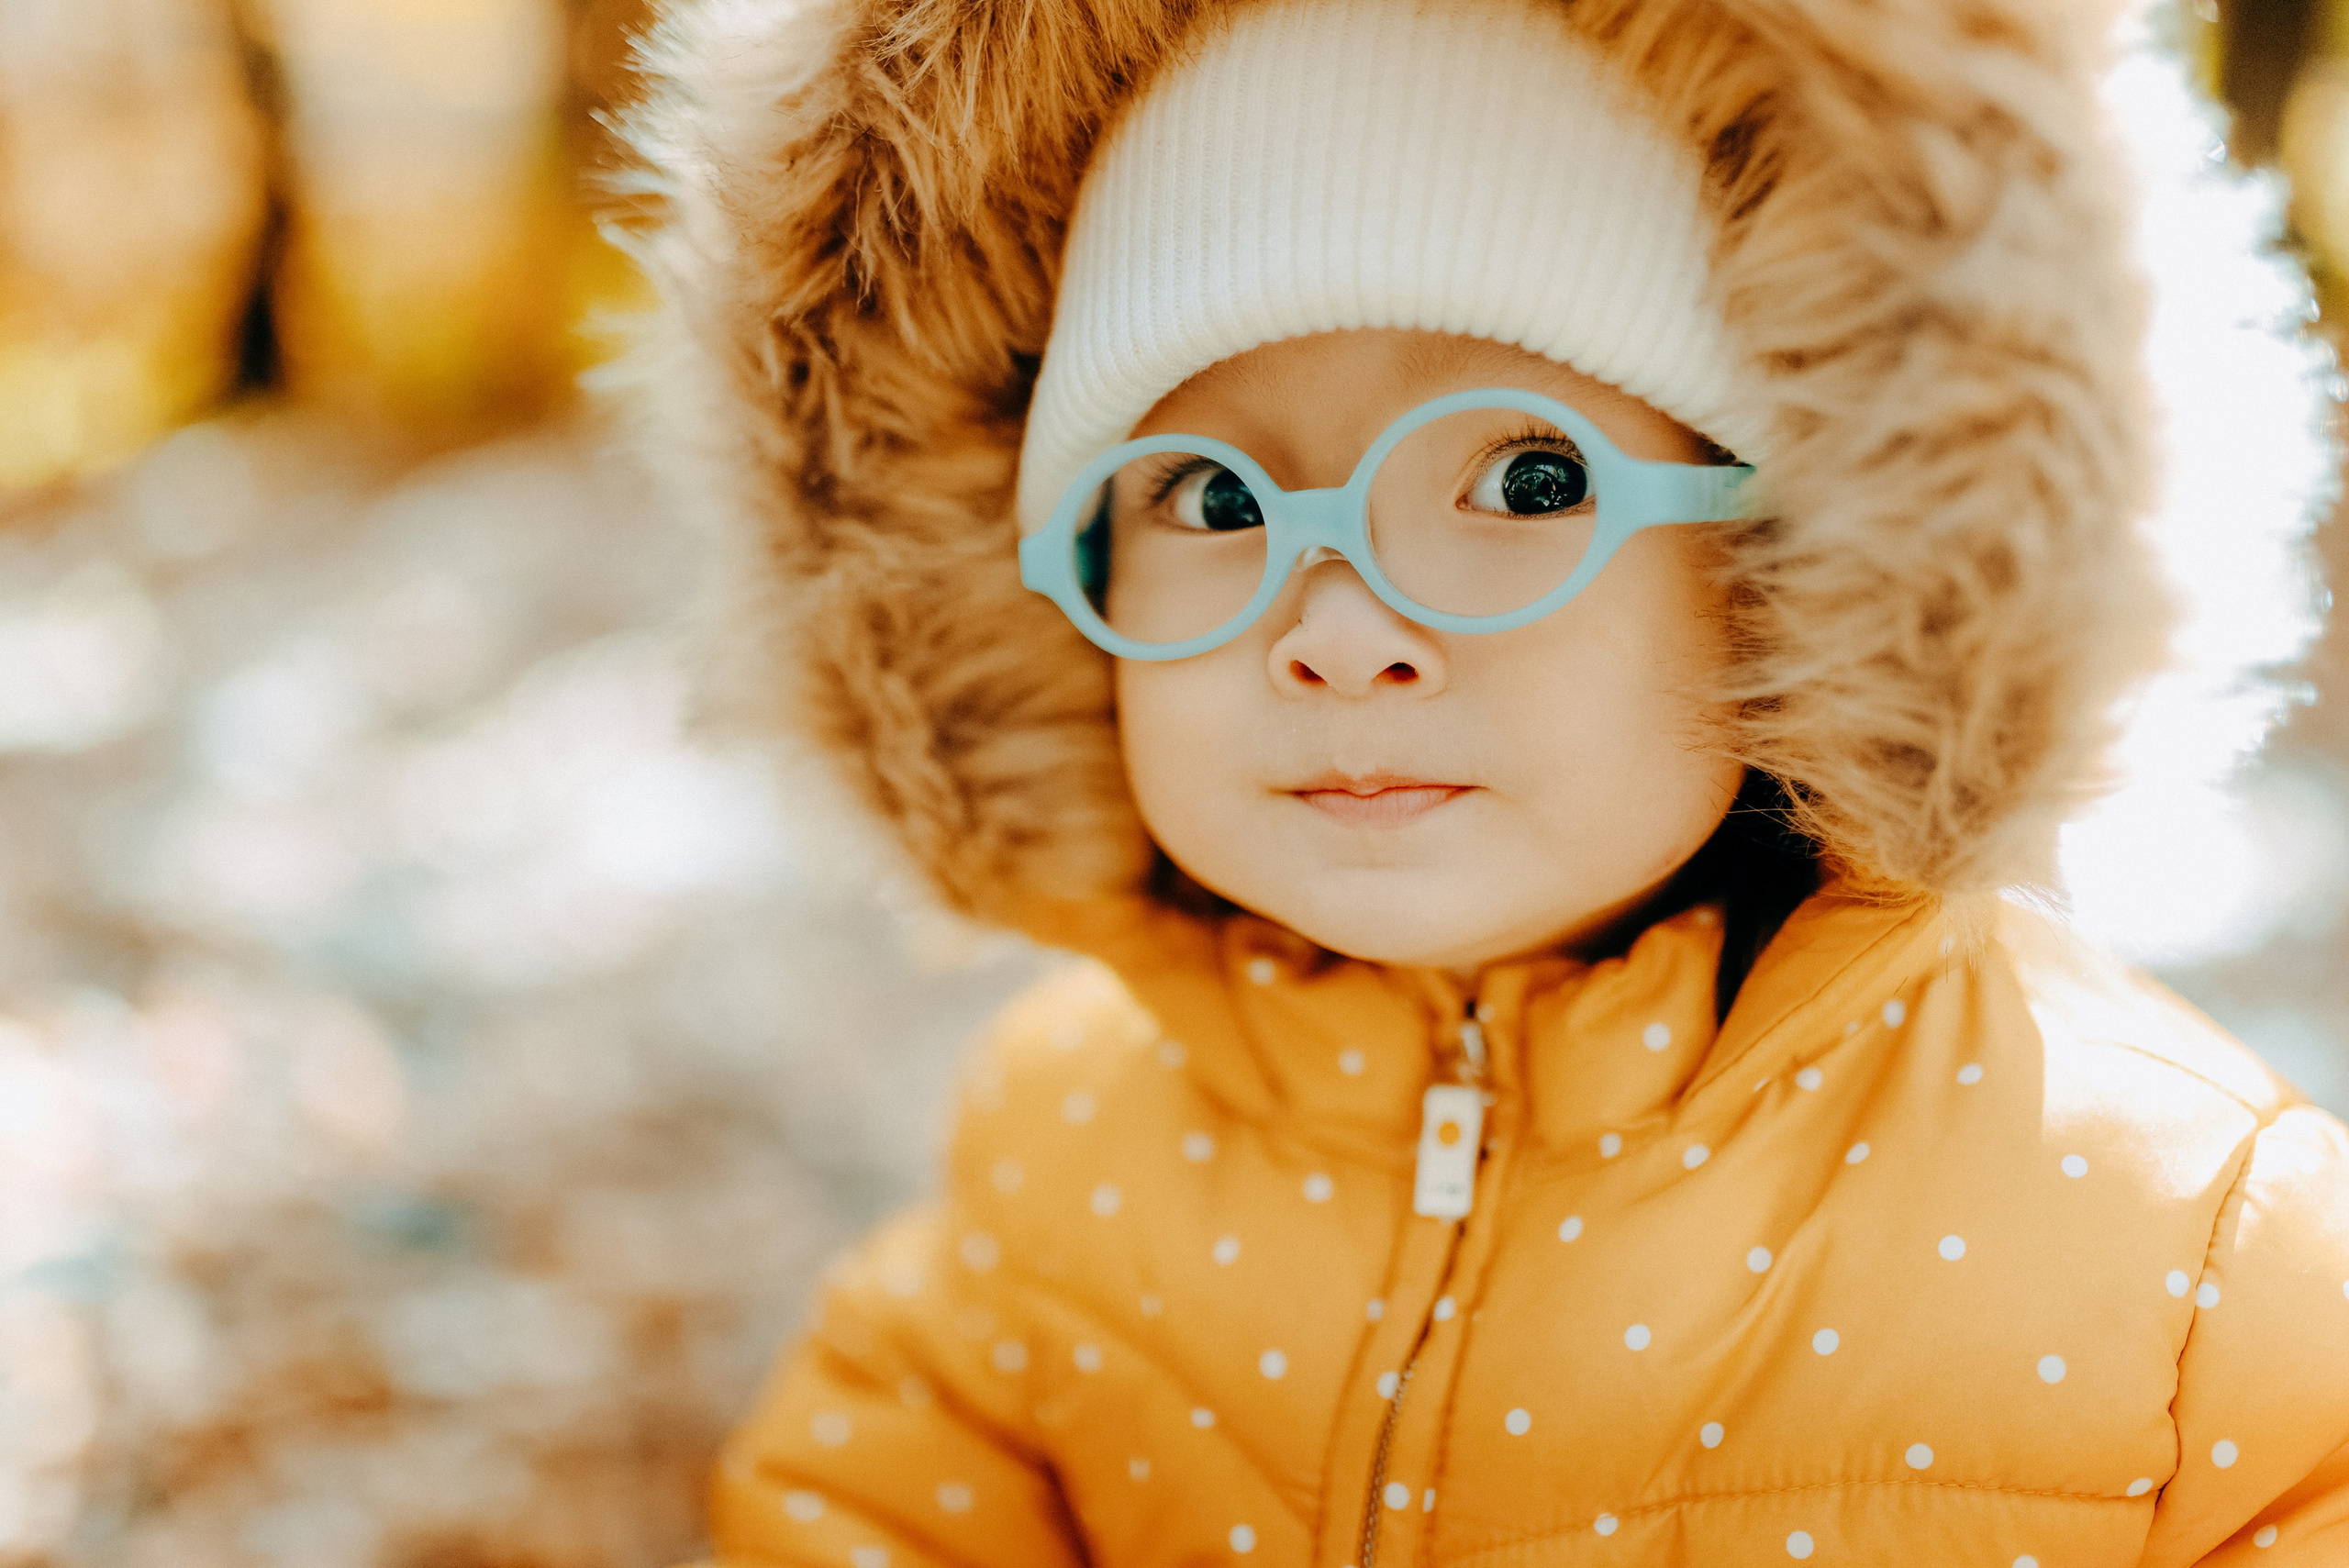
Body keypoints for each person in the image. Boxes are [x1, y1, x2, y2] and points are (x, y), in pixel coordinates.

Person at [624, 0, 2349, 1559]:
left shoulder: (2182, 1259)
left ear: (1811, 555)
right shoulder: (1068, 1141)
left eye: (1528, 479)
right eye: (1213, 501)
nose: (1344, 630)